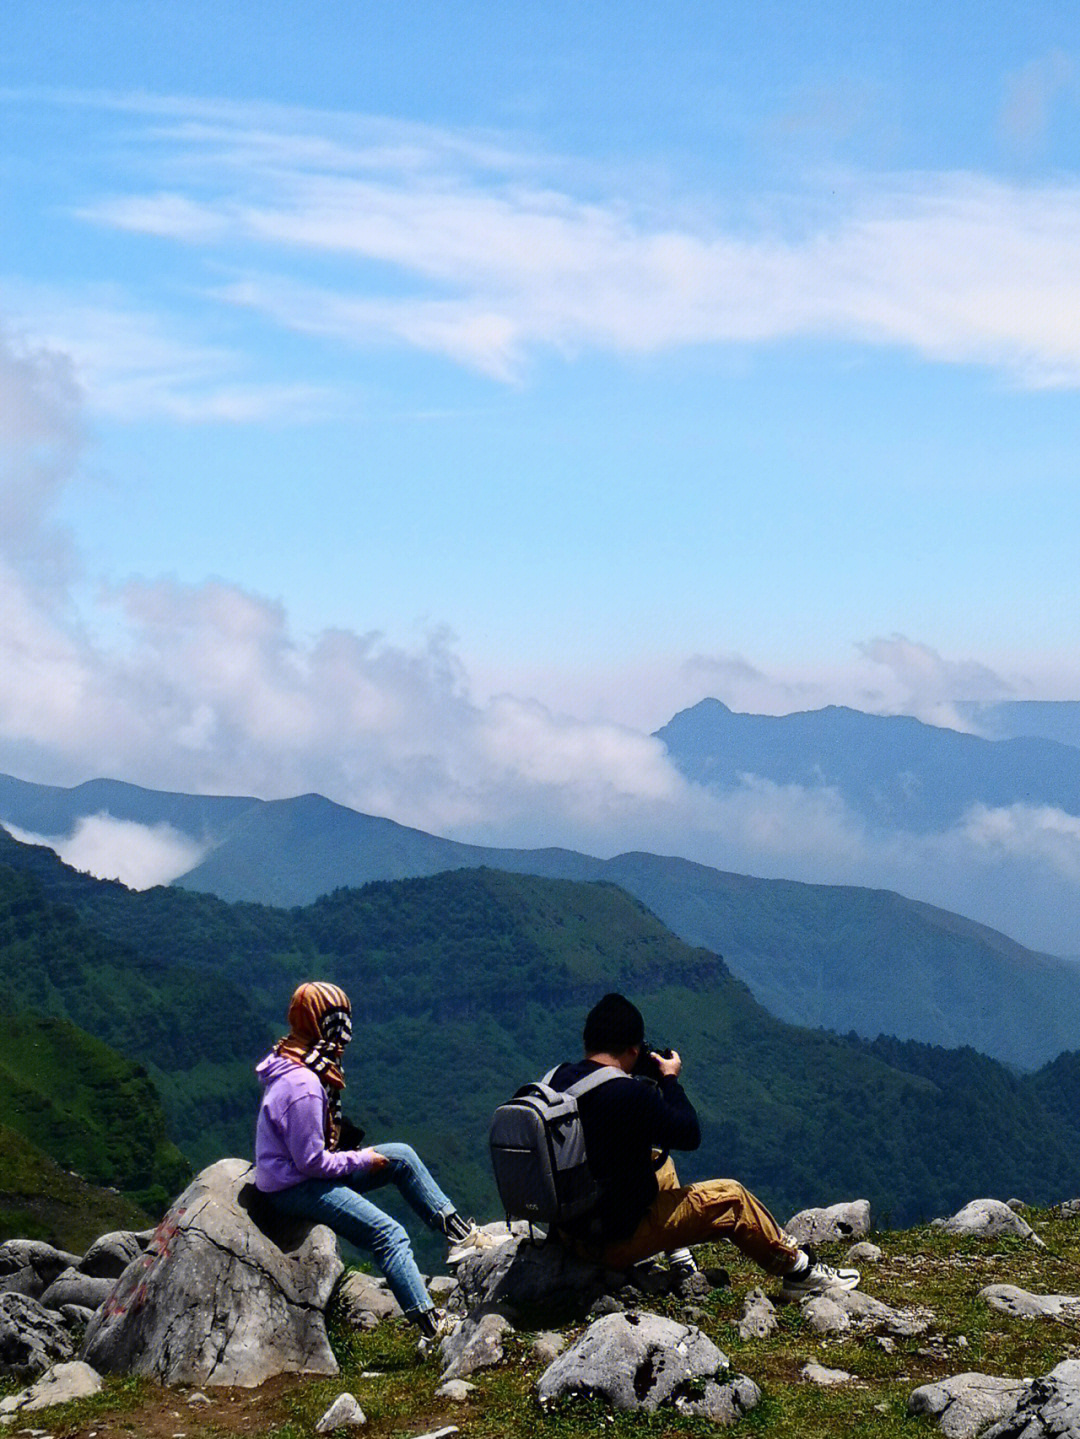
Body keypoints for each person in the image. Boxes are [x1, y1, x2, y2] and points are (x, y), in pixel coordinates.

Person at [550, 992, 859, 1295]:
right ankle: (799, 1271)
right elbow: (689, 1133)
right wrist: (669, 1080)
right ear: (633, 1049)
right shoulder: (628, 1093)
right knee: (733, 1198)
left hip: (568, 1234)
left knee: (660, 1162)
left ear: (588, 1040)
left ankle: (679, 1257)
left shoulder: (558, 1080)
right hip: (612, 1244)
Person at [254, 980, 489, 1342]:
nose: (346, 1030)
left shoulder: (295, 1058)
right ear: (320, 1024)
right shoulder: (302, 1084)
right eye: (338, 1020)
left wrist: (360, 1156)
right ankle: (432, 1326)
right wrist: (361, 1159)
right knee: (390, 1234)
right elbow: (311, 1163)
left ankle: (459, 1235)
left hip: (298, 1175)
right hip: (294, 1187)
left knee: (402, 1157)